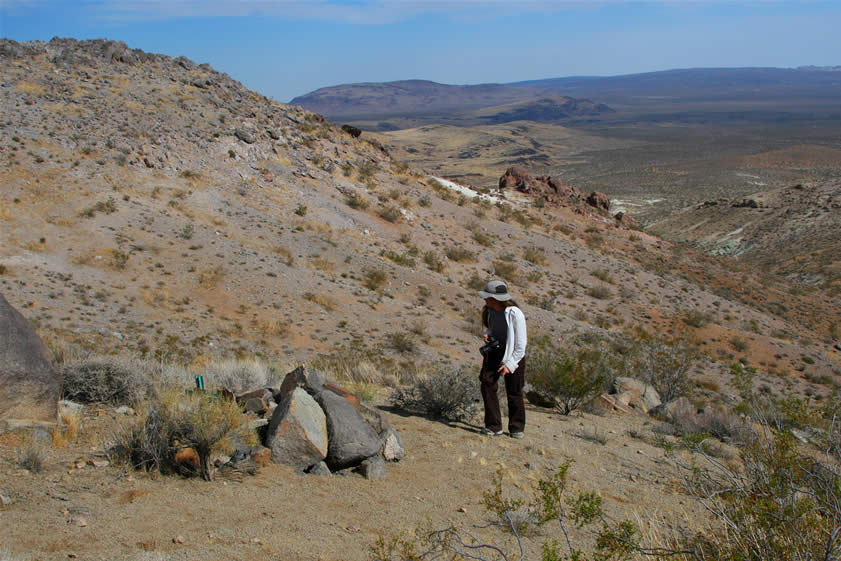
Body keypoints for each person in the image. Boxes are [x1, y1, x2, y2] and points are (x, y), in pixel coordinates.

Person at [477, 279, 527, 438]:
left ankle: (517, 428)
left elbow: (521, 345)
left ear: (495, 299)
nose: (484, 299)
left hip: (514, 356)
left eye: (487, 297)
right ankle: (493, 426)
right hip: (495, 351)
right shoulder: (490, 310)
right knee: (487, 383)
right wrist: (489, 334)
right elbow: (493, 327)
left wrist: (510, 364)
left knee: (514, 391)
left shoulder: (515, 313)